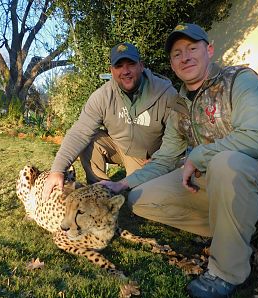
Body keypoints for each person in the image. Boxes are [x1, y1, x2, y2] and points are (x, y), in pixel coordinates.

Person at [99, 23, 258, 298]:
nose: (185, 57)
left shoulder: (240, 80)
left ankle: (227, 272)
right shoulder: (180, 103)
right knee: (141, 199)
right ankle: (233, 230)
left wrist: (200, 155)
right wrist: (123, 184)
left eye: (192, 48)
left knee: (226, 163)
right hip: (218, 184)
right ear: (172, 63)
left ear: (209, 50)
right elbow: (165, 158)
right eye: (177, 53)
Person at [42, 42, 178, 200]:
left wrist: (159, 158)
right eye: (119, 66)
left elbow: (178, 137)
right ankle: (100, 195)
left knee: (141, 198)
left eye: (131, 64)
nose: (125, 71)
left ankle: (134, 185)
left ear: (141, 66)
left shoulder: (166, 93)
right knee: (90, 139)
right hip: (119, 148)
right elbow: (79, 133)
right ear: (111, 71)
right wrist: (57, 170)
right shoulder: (102, 96)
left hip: (148, 158)